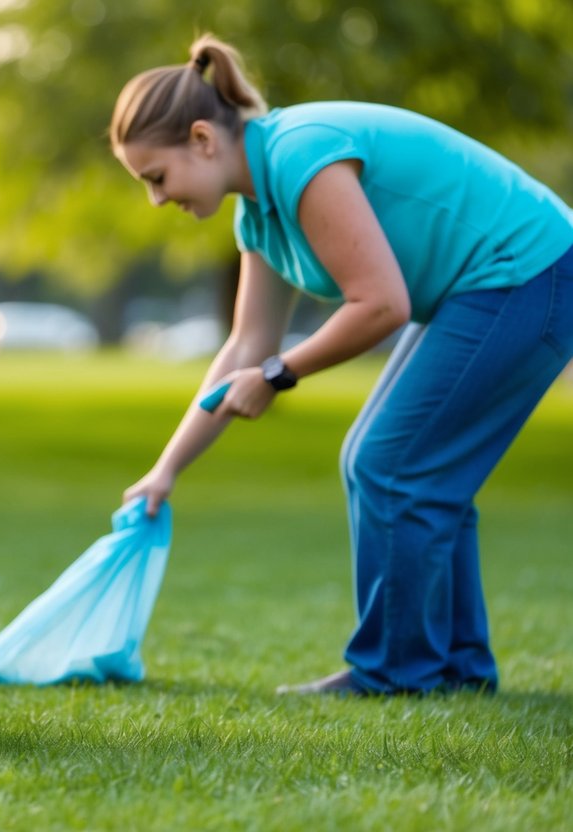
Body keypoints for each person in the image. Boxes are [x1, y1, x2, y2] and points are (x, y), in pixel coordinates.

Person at [110, 34, 573, 696]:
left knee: (390, 462)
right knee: (388, 462)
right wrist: (166, 469)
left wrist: (278, 375)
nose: (156, 200)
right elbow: (245, 346)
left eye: (156, 178)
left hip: (529, 271)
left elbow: (381, 305)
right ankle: (456, 669)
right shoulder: (259, 215)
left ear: (202, 140)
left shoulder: (300, 155)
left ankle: (396, 673)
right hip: (489, 285)